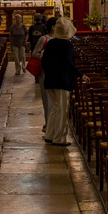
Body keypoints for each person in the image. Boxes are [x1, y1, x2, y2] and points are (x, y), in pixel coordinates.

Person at [40, 16, 89, 146]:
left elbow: (44, 61)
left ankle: (50, 134)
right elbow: (68, 63)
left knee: (55, 109)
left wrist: (50, 72)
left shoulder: (50, 43)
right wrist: (80, 75)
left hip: (50, 80)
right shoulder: (67, 45)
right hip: (62, 81)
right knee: (62, 110)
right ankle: (59, 139)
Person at [31, 15, 56, 130]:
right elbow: (35, 53)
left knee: (56, 102)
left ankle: (54, 124)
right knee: (47, 101)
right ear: (53, 27)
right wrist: (45, 55)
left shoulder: (61, 39)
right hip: (45, 72)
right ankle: (48, 124)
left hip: (57, 73)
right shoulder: (43, 39)